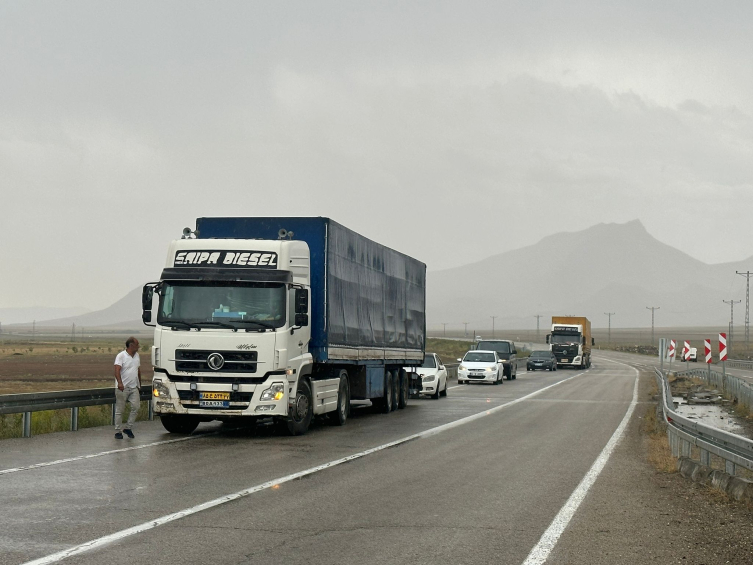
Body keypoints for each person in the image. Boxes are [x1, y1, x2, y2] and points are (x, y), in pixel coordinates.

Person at [113, 336, 142, 439]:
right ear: (131, 345)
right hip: (123, 387)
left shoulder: (137, 356)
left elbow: (138, 370)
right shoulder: (121, 356)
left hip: (134, 387)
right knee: (120, 409)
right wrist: (120, 383)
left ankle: (128, 428)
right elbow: (117, 370)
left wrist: (139, 384)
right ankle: (118, 431)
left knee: (136, 407)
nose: (138, 346)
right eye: (137, 344)